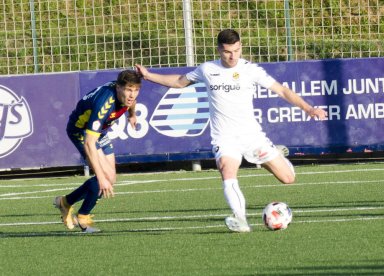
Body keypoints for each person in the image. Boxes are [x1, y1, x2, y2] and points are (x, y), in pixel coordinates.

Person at [136, 29, 327, 233]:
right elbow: (178, 82)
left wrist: (309, 108)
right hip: (224, 137)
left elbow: (281, 90)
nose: (233, 56)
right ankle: (241, 219)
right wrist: (148, 76)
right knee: (227, 171)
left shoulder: (250, 69)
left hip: (252, 136)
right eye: (228, 51)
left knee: (288, 178)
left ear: (240, 47)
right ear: (219, 50)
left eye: (236, 50)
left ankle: (275, 155)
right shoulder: (207, 69)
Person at [54, 69, 142, 233]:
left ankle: (65, 202)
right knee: (104, 178)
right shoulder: (104, 103)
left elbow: (131, 101)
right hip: (81, 131)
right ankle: (83, 217)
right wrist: (100, 177)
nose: (132, 95)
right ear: (118, 87)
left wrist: (132, 114)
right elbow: (89, 143)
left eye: (136, 90)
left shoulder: (126, 96)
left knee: (111, 178)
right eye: (129, 90)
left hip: (99, 132)